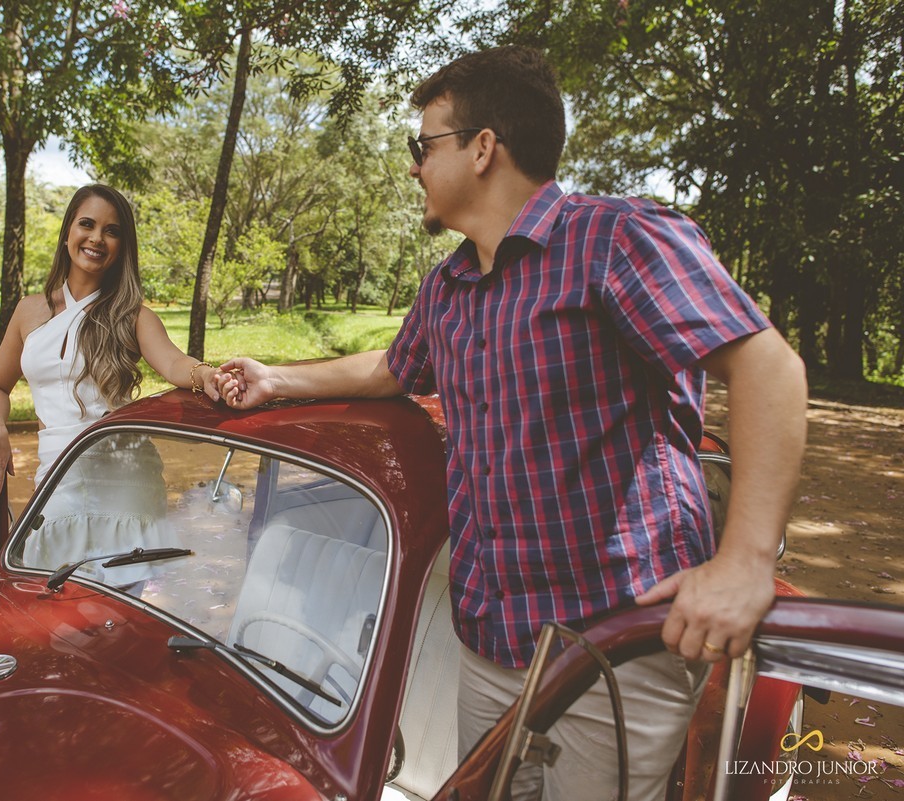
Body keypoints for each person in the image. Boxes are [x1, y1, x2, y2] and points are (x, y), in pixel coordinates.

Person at [216, 46, 807, 800]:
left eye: (423, 145)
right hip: (489, 642)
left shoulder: (616, 240)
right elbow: (395, 367)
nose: (413, 167)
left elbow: (768, 369)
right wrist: (275, 379)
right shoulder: (449, 285)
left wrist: (745, 561)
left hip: (612, 652)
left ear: (484, 147)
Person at [0, 184, 222, 589]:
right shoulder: (28, 311)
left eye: (111, 231)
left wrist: (207, 374)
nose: (96, 238)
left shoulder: (132, 315)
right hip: (57, 475)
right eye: (87, 224)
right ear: (67, 232)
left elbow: (175, 362)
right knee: (50, 601)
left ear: (122, 247)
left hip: (125, 483)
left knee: (118, 614)